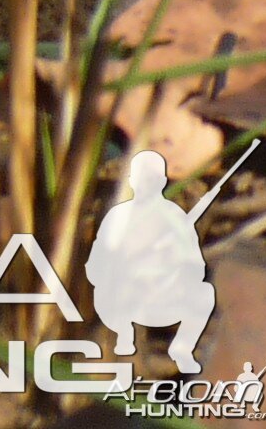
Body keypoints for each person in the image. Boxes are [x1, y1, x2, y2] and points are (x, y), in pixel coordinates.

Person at [87, 150, 218, 372]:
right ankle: (124, 351)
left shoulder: (175, 216)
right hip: (121, 297)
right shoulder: (117, 214)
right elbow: (96, 266)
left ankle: (183, 349)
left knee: (204, 294)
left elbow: (195, 264)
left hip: (163, 293)